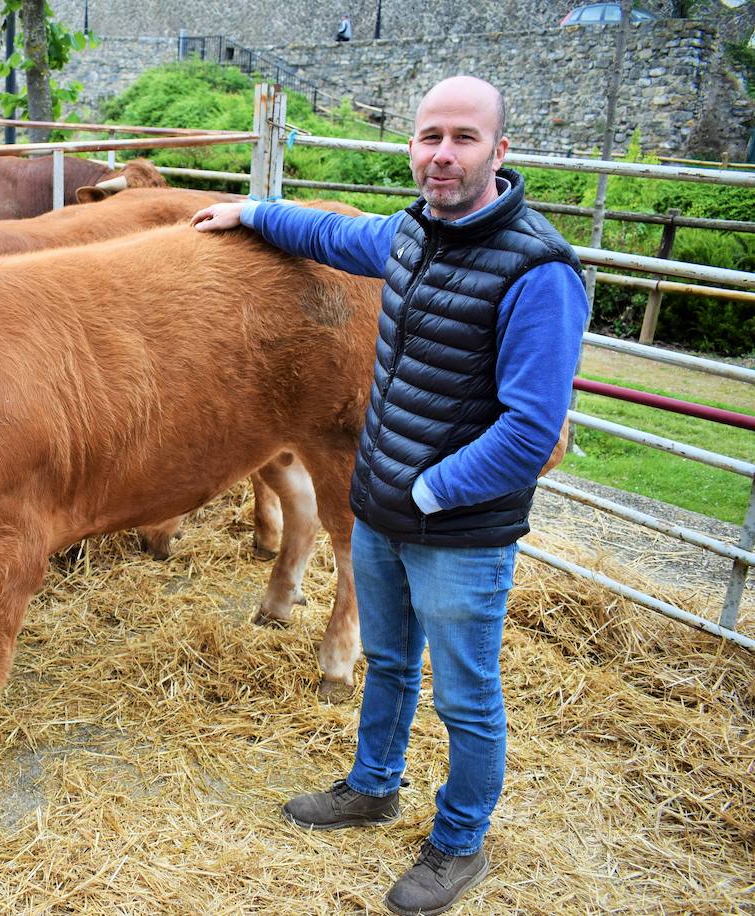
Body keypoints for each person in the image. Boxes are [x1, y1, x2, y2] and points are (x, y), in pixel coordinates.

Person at [192, 75, 588, 915]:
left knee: (466, 695)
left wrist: (430, 492)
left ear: (501, 152)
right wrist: (254, 212)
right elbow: (337, 234)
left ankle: (458, 842)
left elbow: (530, 431)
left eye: (464, 138)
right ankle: (373, 786)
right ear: (412, 146)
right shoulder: (414, 233)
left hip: (459, 528)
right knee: (391, 663)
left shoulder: (540, 271)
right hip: (381, 508)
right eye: (429, 136)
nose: (442, 154)